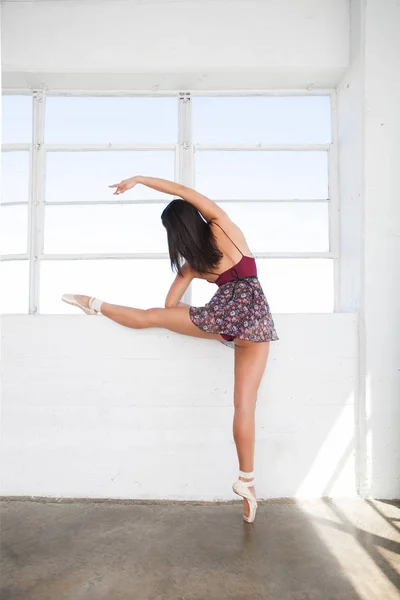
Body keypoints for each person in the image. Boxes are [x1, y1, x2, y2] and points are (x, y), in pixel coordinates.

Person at [62, 176, 278, 523]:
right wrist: (140, 180)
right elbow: (182, 191)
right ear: (195, 217)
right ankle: (247, 482)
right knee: (245, 408)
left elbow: (168, 305)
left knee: (154, 317)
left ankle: (94, 302)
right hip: (258, 326)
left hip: (225, 323)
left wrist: (191, 304)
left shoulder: (194, 265)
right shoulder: (224, 226)